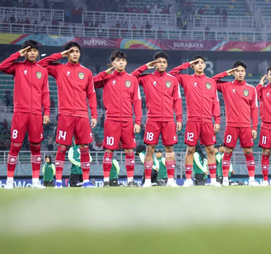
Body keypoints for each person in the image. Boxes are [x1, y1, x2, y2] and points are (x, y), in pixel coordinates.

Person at [39, 42, 97, 188]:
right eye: (71, 51)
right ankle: (58, 181)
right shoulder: (59, 69)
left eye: (77, 51)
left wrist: (94, 115)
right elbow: (41, 63)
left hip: (82, 115)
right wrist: (60, 55)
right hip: (65, 115)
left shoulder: (87, 73)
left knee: (84, 148)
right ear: (67, 54)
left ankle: (86, 181)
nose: (75, 54)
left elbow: (91, 94)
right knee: (62, 148)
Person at [0, 40, 50, 189]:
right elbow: (2, 66)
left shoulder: (43, 71)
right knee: (15, 147)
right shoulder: (17, 67)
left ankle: (35, 181)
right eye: (29, 50)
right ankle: (9, 181)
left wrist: (46, 111)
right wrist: (16, 55)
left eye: (35, 50)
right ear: (25, 52)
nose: (33, 53)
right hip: (20, 113)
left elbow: (46, 93)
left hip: (36, 114)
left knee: (36, 147)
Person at [131, 51, 182, 187]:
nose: (162, 64)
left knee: (170, 149)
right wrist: (145, 66)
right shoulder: (146, 78)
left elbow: (177, 100)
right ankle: (147, 180)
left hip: (169, 120)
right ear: (154, 64)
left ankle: (170, 180)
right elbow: (131, 78)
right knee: (150, 149)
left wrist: (179, 118)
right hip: (152, 119)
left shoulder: (173, 80)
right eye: (159, 62)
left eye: (164, 62)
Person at [169, 56, 221, 187]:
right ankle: (188, 180)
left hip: (208, 121)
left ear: (205, 66)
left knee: (210, 149)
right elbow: (172, 74)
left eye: (202, 63)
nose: (200, 65)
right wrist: (187, 64)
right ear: (193, 65)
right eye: (197, 63)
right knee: (190, 149)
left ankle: (213, 180)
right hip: (193, 120)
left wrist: (217, 120)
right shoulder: (186, 79)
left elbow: (216, 102)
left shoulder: (211, 82)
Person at [93, 50, 142, 188]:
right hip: (111, 120)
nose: (121, 62)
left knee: (129, 151)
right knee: (109, 150)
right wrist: (104, 73)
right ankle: (106, 181)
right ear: (112, 63)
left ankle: (130, 181)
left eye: (123, 60)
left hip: (127, 120)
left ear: (126, 62)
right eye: (117, 60)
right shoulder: (107, 77)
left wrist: (138, 121)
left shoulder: (132, 80)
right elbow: (90, 83)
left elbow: (137, 101)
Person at [212, 61, 259, 186]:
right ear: (233, 72)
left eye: (242, 71)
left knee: (249, 152)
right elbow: (212, 81)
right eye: (237, 71)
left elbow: (254, 109)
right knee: (227, 152)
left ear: (245, 73)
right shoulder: (226, 86)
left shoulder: (251, 89)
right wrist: (226, 73)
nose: (240, 73)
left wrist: (254, 127)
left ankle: (252, 179)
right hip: (231, 125)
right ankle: (225, 180)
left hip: (246, 126)